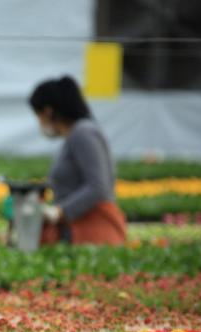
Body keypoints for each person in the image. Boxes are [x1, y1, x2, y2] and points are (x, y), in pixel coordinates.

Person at [29, 76, 127, 245]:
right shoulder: (75, 136)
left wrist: (59, 211)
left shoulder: (83, 133)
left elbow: (98, 187)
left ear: (48, 111)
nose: (39, 122)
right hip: (79, 230)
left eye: (38, 115)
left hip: (94, 230)